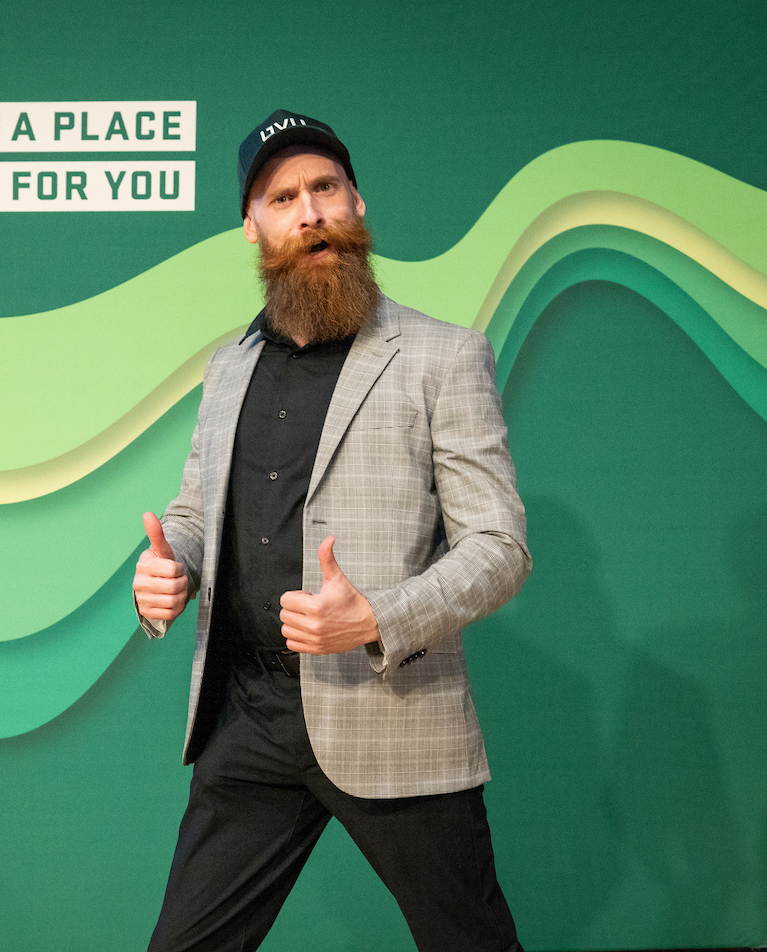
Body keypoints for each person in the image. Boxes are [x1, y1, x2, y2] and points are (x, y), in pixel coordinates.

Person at [132, 109, 532, 952]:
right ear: (254, 227)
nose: (308, 211)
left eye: (325, 189)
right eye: (282, 197)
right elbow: (197, 514)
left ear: (357, 204)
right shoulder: (228, 365)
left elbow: (500, 549)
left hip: (392, 716)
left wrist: (378, 617)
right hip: (249, 719)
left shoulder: (442, 356)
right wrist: (174, 569)